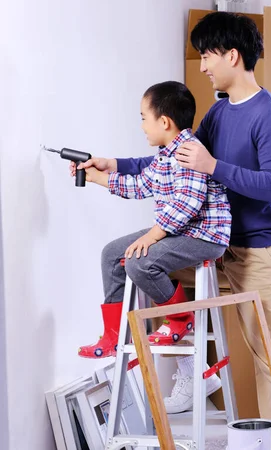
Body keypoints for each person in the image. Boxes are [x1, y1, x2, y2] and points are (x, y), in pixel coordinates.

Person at [75, 12, 271, 418]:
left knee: (270, 356)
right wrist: (115, 165)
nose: (202, 66)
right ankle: (192, 369)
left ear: (232, 56)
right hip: (217, 242)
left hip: (264, 252)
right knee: (138, 266)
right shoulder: (219, 113)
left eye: (206, 56)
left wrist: (213, 166)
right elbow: (174, 160)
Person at [76, 81, 231, 363]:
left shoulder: (188, 151)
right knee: (112, 254)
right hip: (179, 230)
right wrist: (98, 178)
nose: (142, 126)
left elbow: (188, 205)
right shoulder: (165, 154)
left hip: (204, 235)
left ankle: (181, 317)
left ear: (164, 121)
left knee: (140, 262)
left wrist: (153, 236)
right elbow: (141, 185)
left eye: (143, 118)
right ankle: (113, 335)